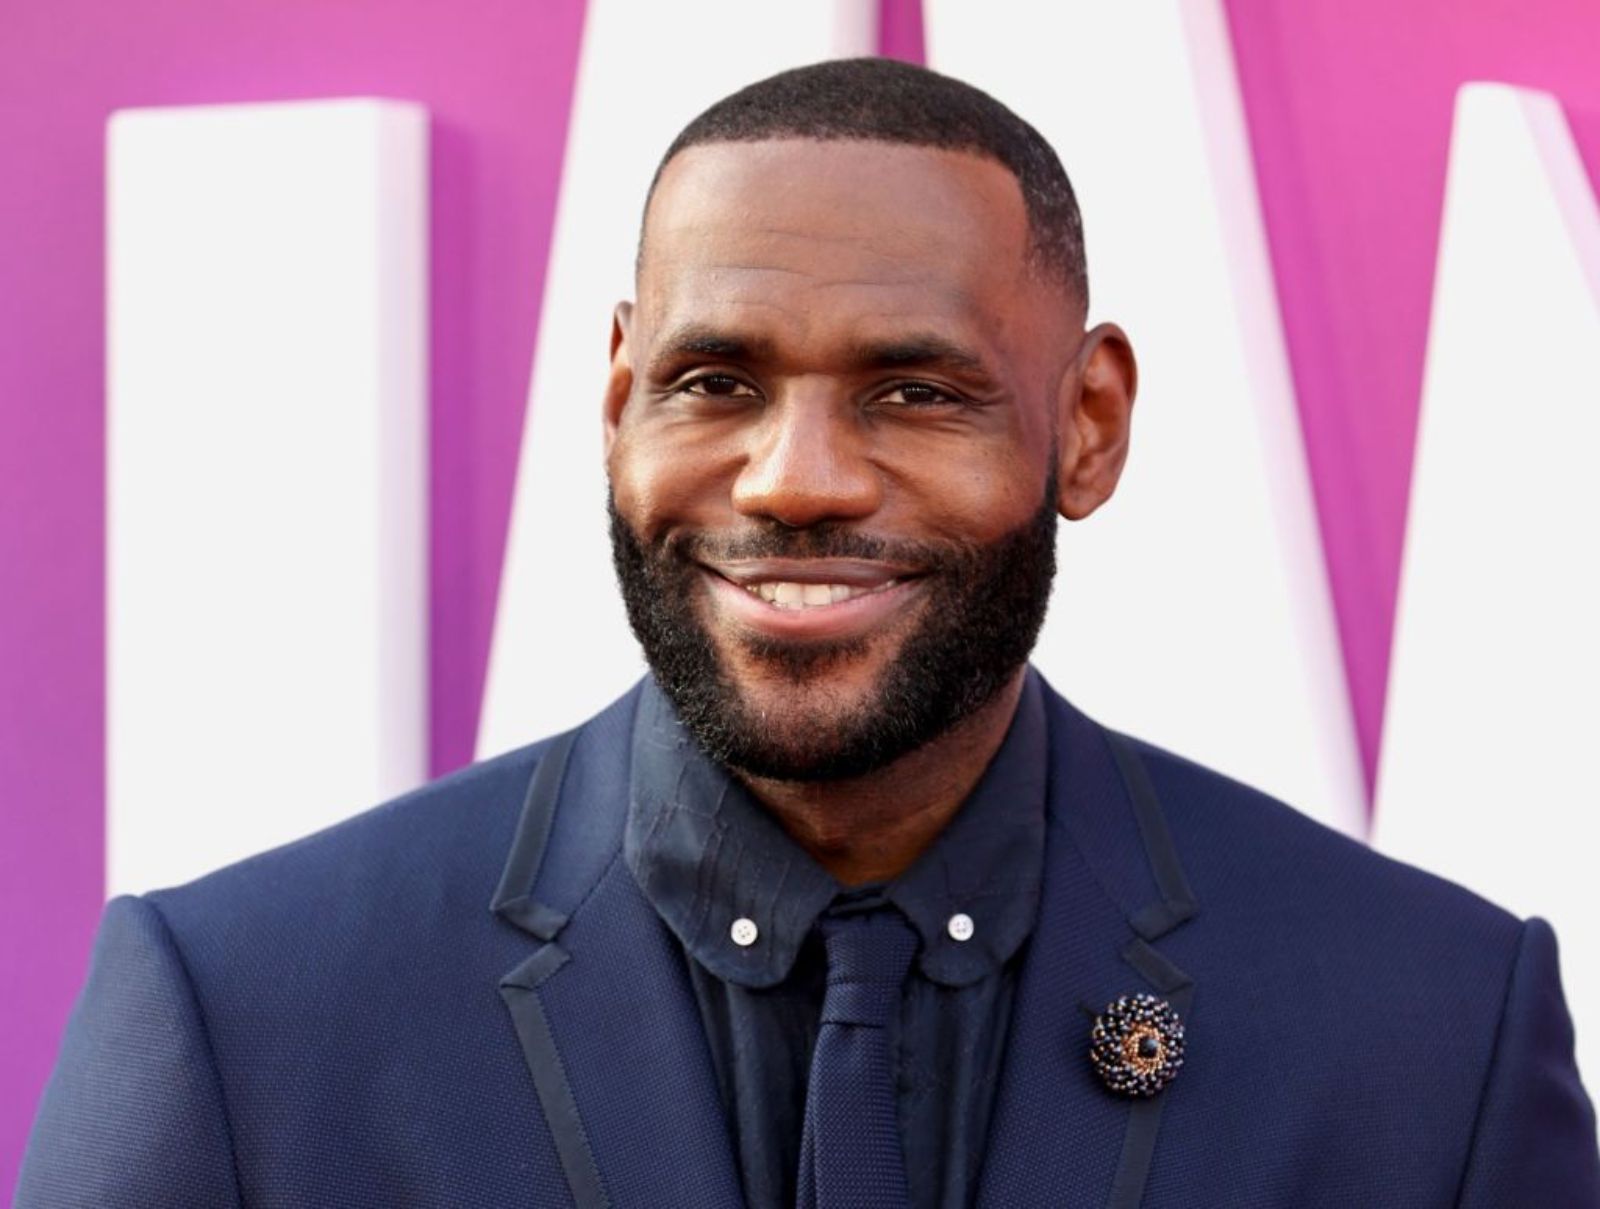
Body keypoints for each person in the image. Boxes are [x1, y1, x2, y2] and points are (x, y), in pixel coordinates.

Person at [18, 57, 1599, 1209]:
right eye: (717, 383)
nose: (796, 480)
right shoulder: (243, 1016)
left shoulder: (1428, 1031)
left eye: (915, 390)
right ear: (619, 396)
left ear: (1090, 425)